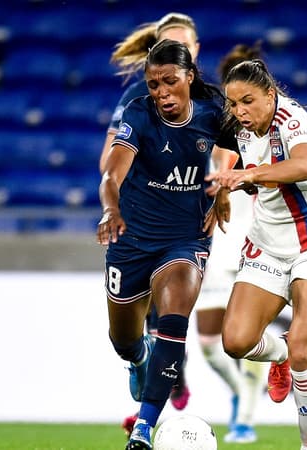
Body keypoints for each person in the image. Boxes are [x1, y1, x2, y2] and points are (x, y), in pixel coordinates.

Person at [207, 59, 307, 450]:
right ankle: (280, 355)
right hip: (268, 243)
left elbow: (305, 165)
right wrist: (223, 189)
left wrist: (249, 176)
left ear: (271, 94)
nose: (240, 111)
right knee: (236, 341)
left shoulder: (292, 118)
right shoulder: (237, 128)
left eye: (248, 101)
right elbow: (225, 159)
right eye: (233, 104)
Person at [97, 39, 235, 450]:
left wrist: (224, 188)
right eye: (154, 84)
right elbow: (111, 175)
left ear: (189, 78)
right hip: (132, 239)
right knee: (123, 339)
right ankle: (138, 360)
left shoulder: (213, 112)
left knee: (173, 326)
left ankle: (143, 429)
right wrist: (110, 209)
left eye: (170, 82)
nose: (161, 93)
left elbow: (232, 152)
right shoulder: (139, 114)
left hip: (185, 240)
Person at [102, 13, 199, 426]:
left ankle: (147, 418)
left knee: (172, 315)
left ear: (195, 53)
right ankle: (144, 362)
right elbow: (108, 163)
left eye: (184, 44)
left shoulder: (210, 100)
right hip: (138, 226)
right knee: (127, 334)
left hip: (188, 228)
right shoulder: (136, 103)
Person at [192, 42, 270, 445]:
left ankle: (246, 416)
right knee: (208, 342)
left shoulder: (270, 131)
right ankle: (241, 392)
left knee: (250, 335)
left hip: (255, 241)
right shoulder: (213, 130)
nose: (237, 106)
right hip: (216, 244)